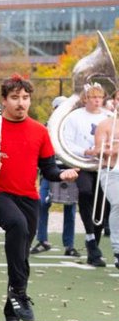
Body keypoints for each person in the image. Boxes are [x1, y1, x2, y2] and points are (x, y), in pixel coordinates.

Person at [0, 75, 79, 321]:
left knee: (21, 258)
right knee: (16, 226)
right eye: (15, 98)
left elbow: (49, 169)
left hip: (28, 197)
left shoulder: (40, 131)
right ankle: (19, 294)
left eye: (25, 98)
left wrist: (61, 174)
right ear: (4, 100)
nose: (21, 103)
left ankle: (12, 319)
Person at [60, 82, 112, 267]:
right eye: (93, 97)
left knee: (103, 205)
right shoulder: (75, 117)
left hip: (104, 165)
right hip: (82, 165)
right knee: (85, 192)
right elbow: (67, 142)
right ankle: (90, 239)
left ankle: (93, 247)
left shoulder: (109, 117)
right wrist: (86, 151)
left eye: (100, 97)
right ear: (85, 99)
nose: (97, 100)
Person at [92, 110, 119, 268]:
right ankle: (117, 249)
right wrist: (114, 149)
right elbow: (98, 151)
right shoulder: (106, 125)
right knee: (118, 203)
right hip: (111, 171)